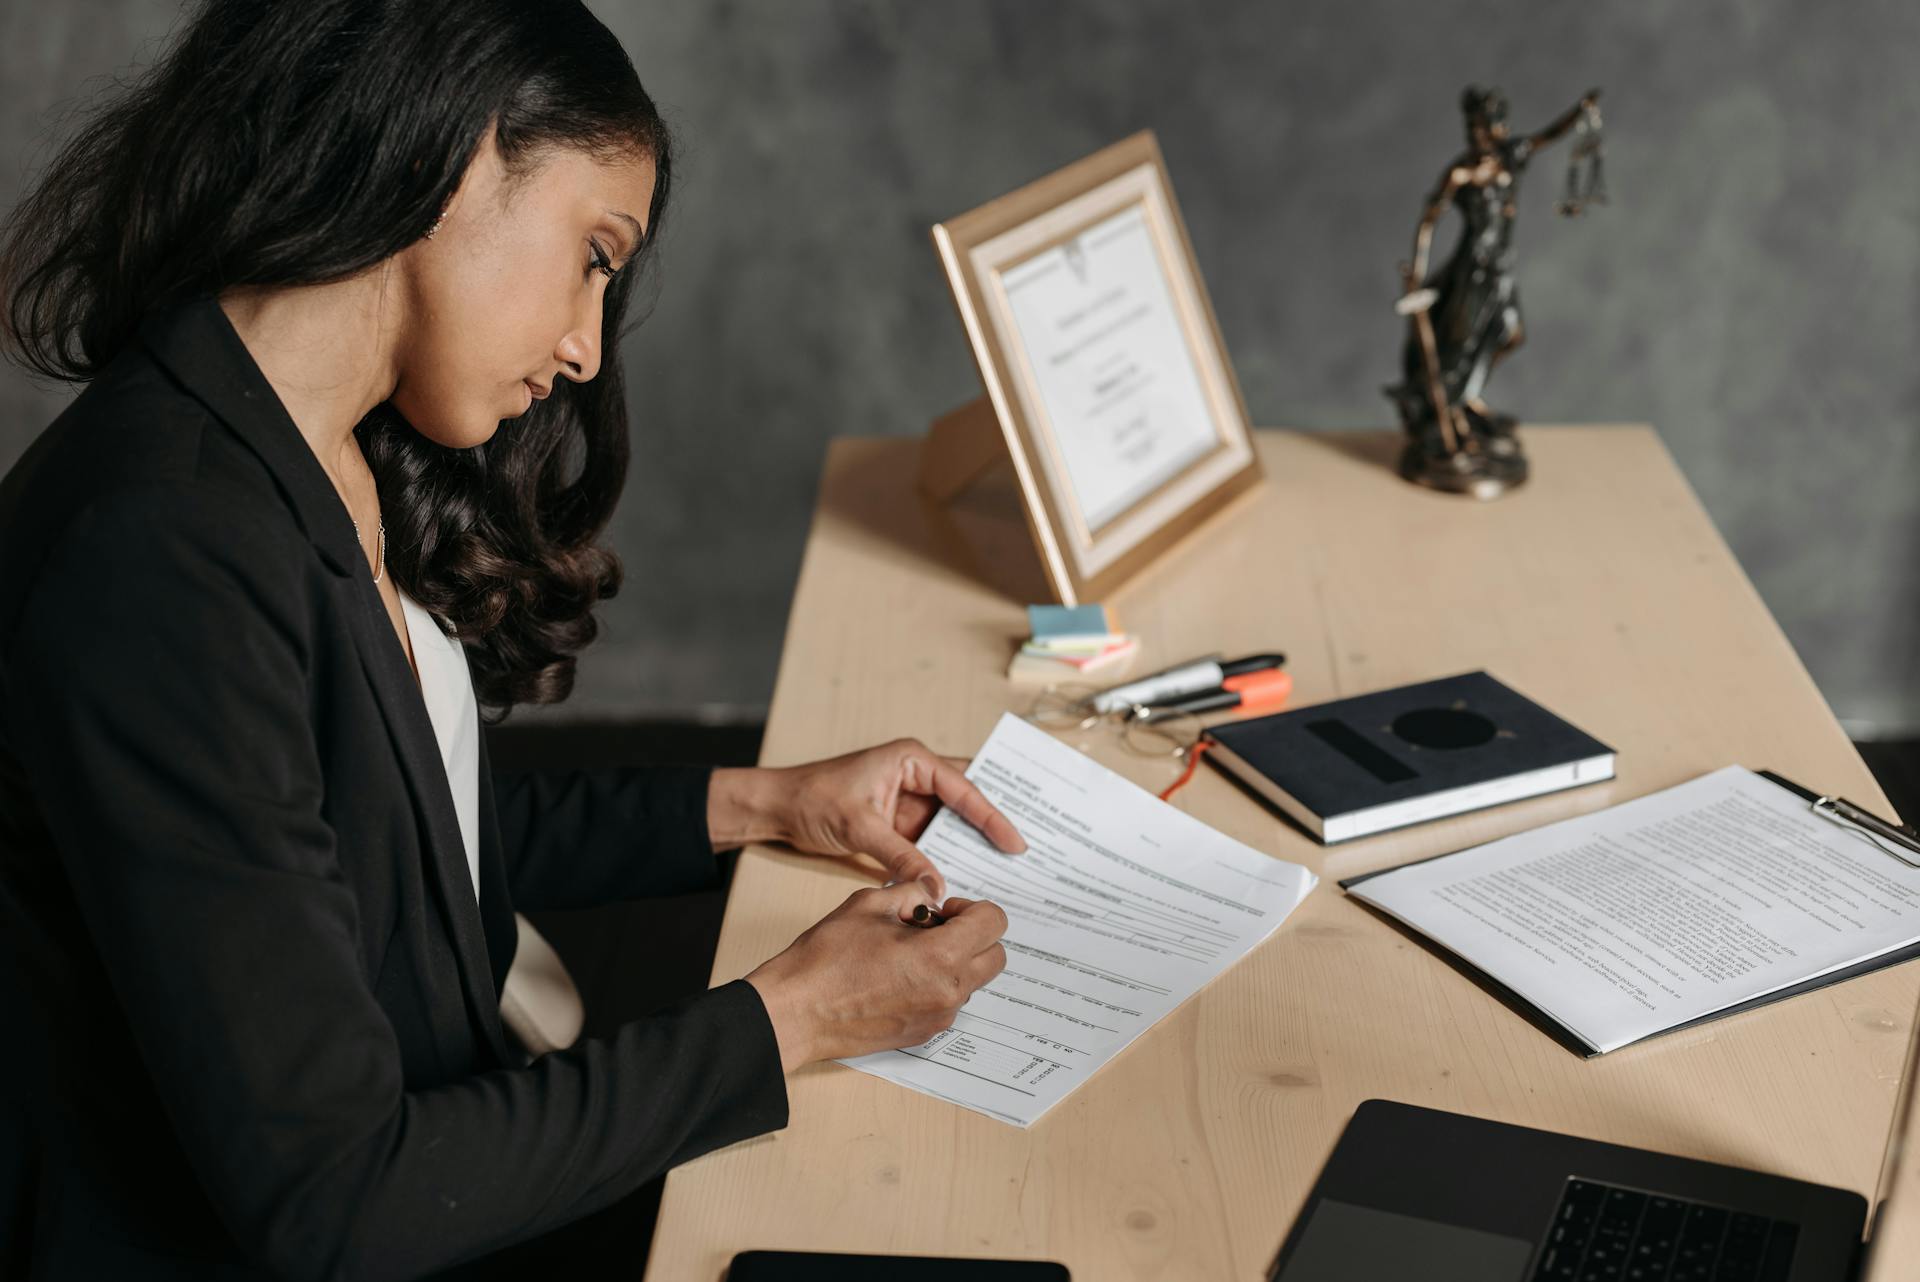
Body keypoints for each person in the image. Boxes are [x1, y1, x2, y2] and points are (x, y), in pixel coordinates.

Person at [0, 3, 1023, 1279]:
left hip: (473, 1137)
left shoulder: (332, 443)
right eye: (595, 253)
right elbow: (337, 1198)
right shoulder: (160, 554)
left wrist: (766, 803)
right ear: (459, 153)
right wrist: (794, 1017)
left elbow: (387, 853)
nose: (590, 347)